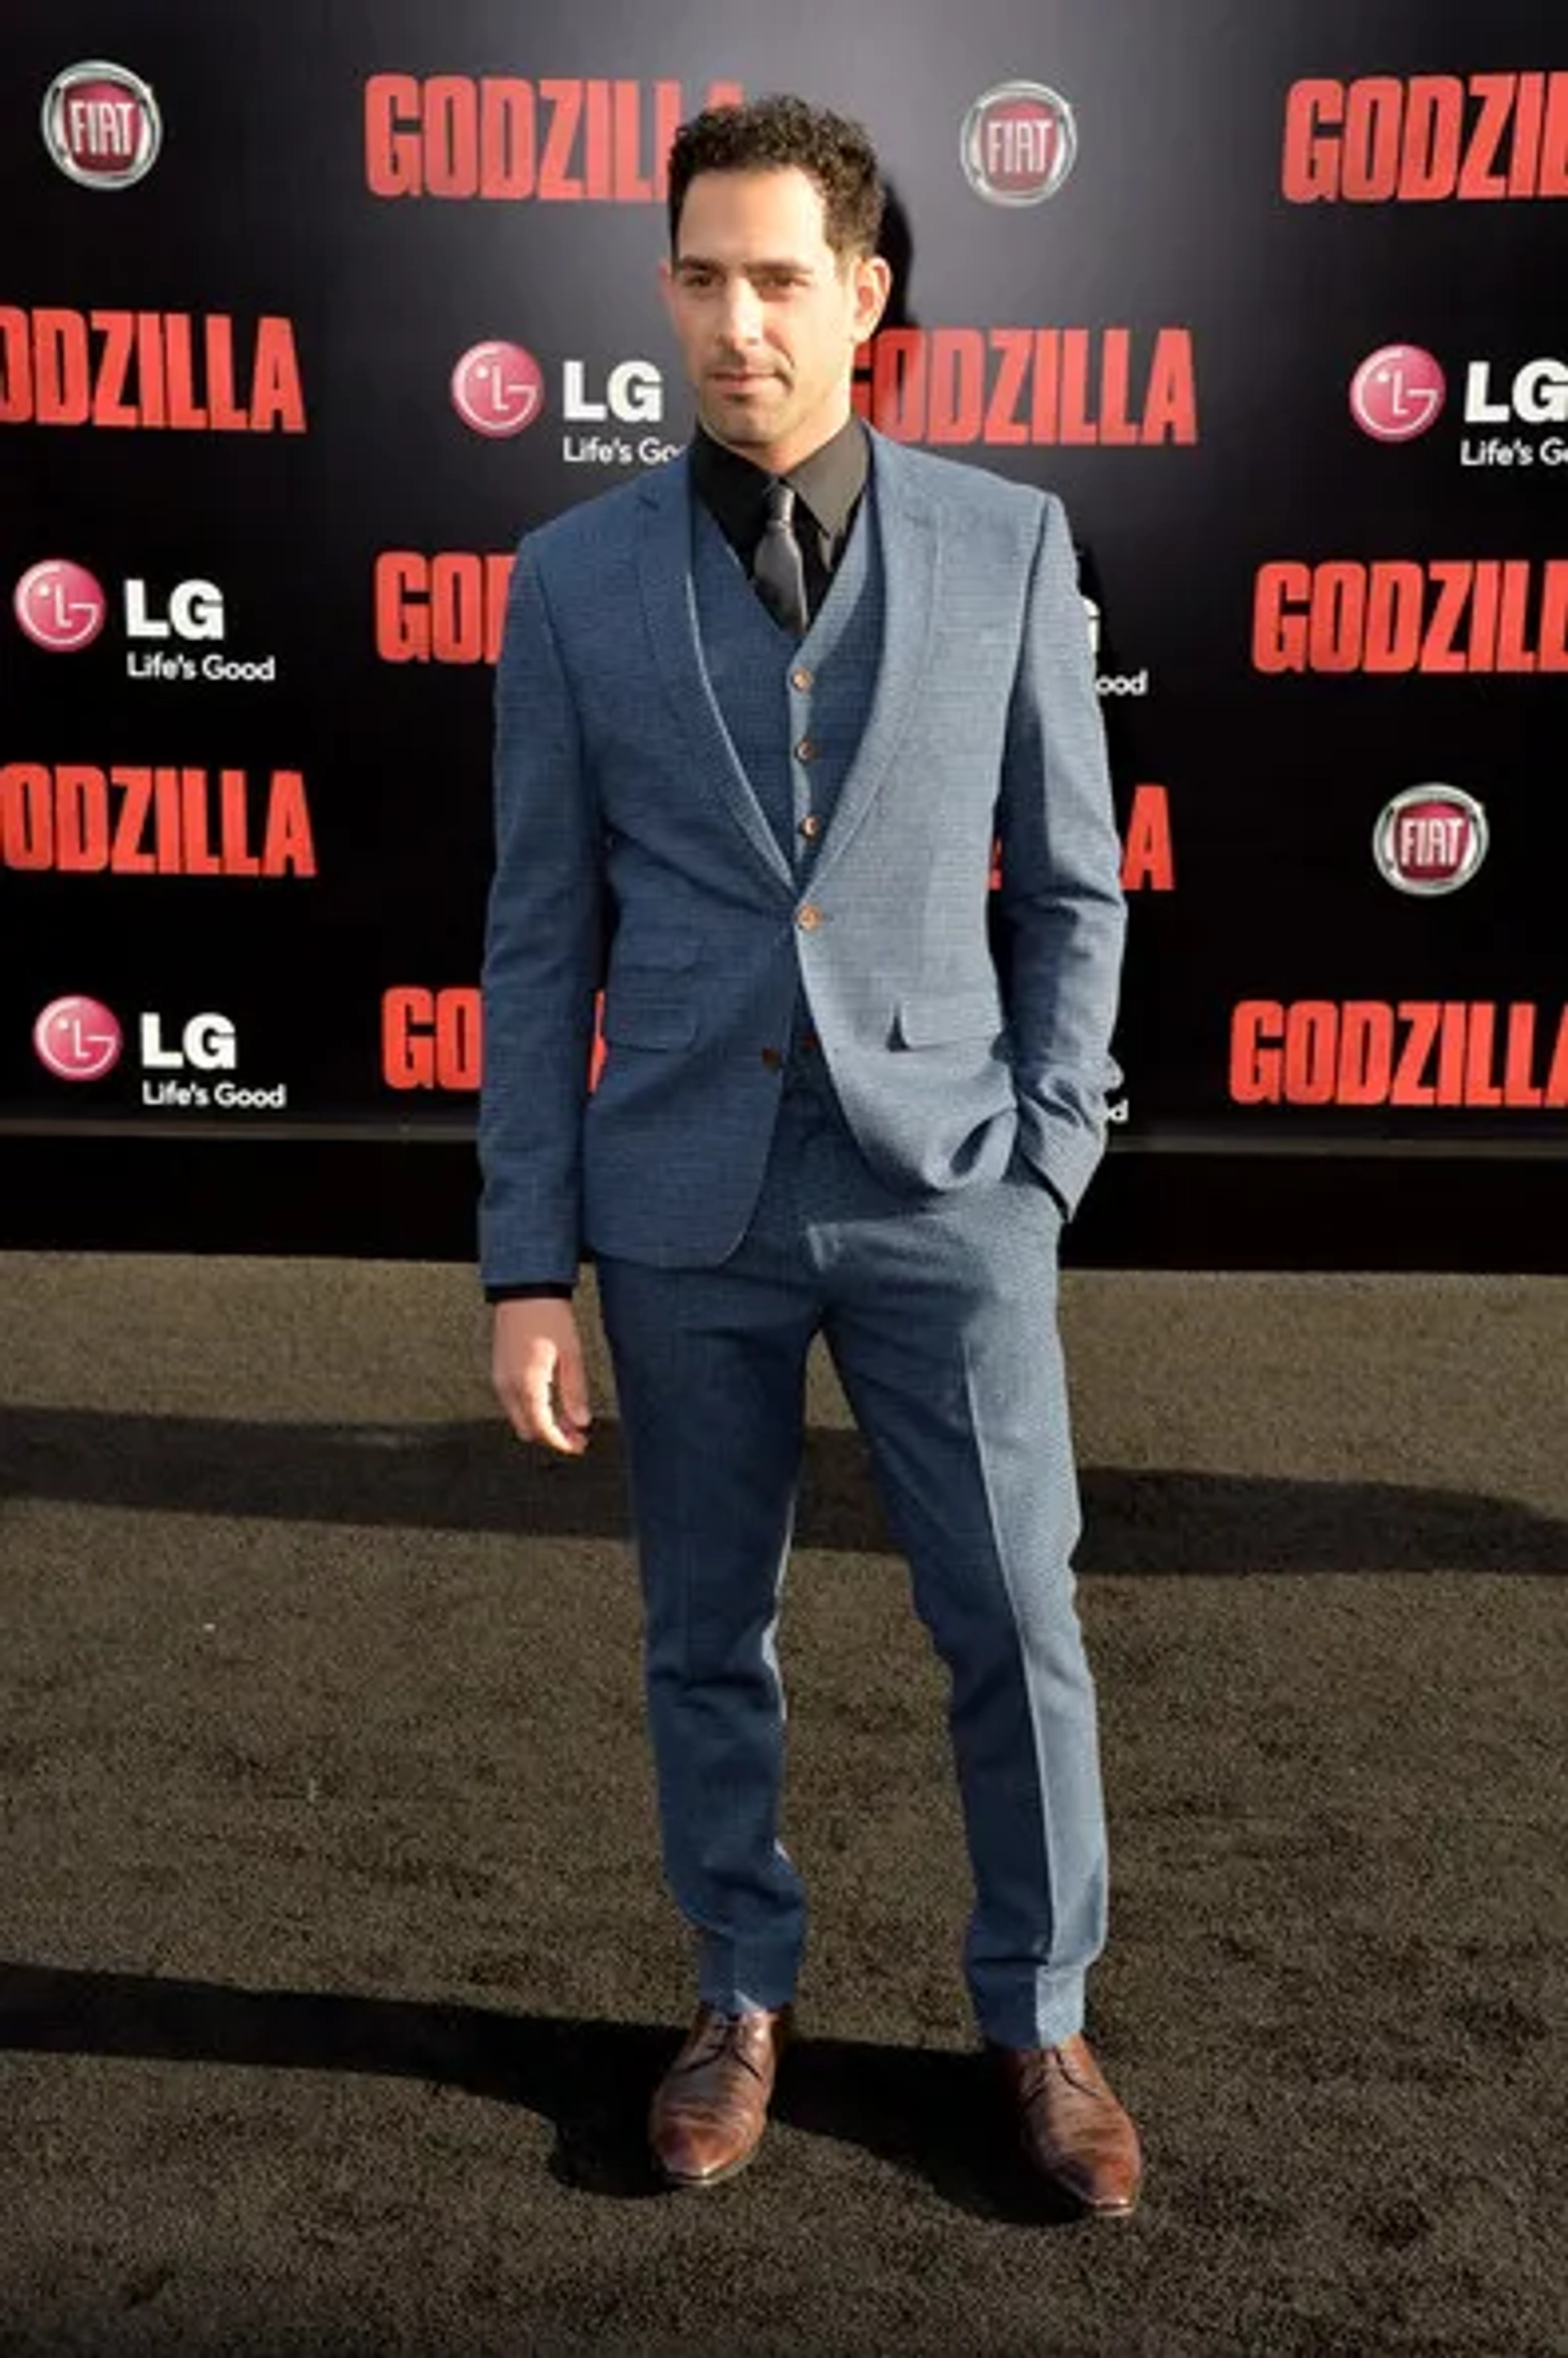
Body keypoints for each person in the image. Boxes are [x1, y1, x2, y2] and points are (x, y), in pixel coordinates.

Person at [479, 93, 1140, 2217]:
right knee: (702, 1625)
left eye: (778, 278)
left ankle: (1039, 2018)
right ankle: (739, 1994)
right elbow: (532, 934)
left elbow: (1075, 888)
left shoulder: (1011, 543)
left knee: (1014, 1616)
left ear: (866, 297)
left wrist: (1044, 1153)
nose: (734, 320)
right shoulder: (570, 581)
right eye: (699, 276)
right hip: (682, 1199)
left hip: (949, 1184)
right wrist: (522, 1266)